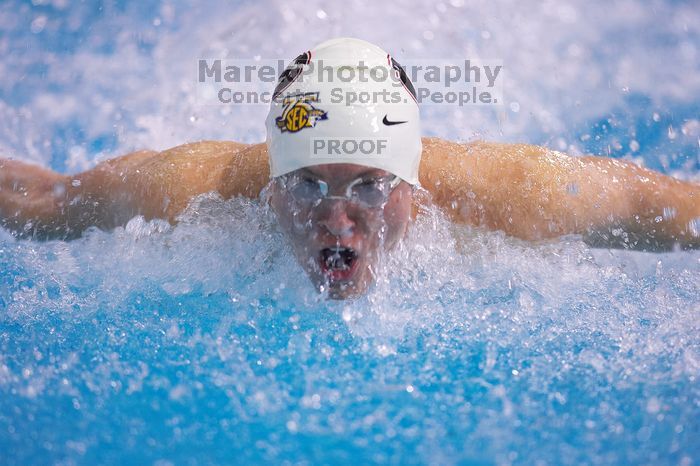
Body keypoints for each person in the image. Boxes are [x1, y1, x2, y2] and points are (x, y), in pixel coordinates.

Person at [1, 38, 698, 299]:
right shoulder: (193, 189)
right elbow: (41, 198)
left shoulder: (518, 196)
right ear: (271, 183)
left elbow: (669, 209)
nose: (337, 221)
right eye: (307, 184)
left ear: (410, 179)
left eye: (369, 186)